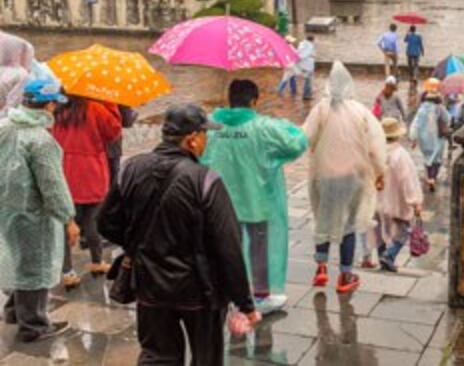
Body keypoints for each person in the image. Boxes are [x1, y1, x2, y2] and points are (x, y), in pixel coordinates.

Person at [97, 104, 258, 364]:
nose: (207, 140)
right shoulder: (204, 180)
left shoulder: (130, 168)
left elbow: (105, 223)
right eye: (204, 134)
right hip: (199, 289)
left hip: (149, 284)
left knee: (157, 356)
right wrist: (245, 303)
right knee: (206, 357)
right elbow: (228, 246)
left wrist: (138, 244)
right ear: (192, 139)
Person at [202, 80, 308, 314]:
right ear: (254, 100)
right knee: (259, 248)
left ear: (229, 99)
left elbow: (199, 155)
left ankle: (229, 292)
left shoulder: (212, 126)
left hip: (222, 203)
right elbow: (297, 143)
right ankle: (260, 296)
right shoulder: (263, 127)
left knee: (228, 248)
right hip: (256, 201)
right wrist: (287, 125)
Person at [0, 78, 78, 343]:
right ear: (50, 104)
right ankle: (33, 325)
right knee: (35, 266)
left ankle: (12, 311)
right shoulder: (41, 141)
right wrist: (68, 218)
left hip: (5, 209)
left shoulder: (4, 126)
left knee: (16, 259)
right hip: (33, 215)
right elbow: (52, 186)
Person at [303, 62, 387, 295]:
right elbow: (377, 146)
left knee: (324, 218)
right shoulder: (361, 112)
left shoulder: (321, 109)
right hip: (353, 177)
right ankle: (345, 275)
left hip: (324, 175)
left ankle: (321, 267)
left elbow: (305, 138)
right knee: (348, 226)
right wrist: (380, 173)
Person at [53, 96, 121, 289]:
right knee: (92, 219)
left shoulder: (57, 110)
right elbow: (113, 131)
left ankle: (67, 271)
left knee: (65, 223)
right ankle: (97, 261)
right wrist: (110, 103)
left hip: (64, 169)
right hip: (92, 170)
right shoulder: (95, 107)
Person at [375, 118, 423, 272]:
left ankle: (383, 257)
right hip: (397, 202)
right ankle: (388, 256)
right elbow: (408, 180)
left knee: (382, 231)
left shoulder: (375, 152)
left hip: (379, 200)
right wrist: (415, 201)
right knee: (403, 232)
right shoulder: (401, 155)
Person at [410, 89, 450, 191]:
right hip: (438, 138)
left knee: (427, 158)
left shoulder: (421, 109)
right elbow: (447, 119)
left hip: (424, 140)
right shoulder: (440, 108)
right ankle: (433, 177)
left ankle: (429, 177)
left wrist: (413, 138)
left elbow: (415, 124)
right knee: (437, 159)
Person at [297, 35, 316, 100]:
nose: (314, 42)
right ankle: (306, 95)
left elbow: (300, 54)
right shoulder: (309, 46)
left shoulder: (302, 44)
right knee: (308, 81)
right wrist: (311, 56)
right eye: (313, 40)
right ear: (312, 40)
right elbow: (303, 55)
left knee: (307, 81)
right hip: (307, 66)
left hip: (303, 66)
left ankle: (307, 94)